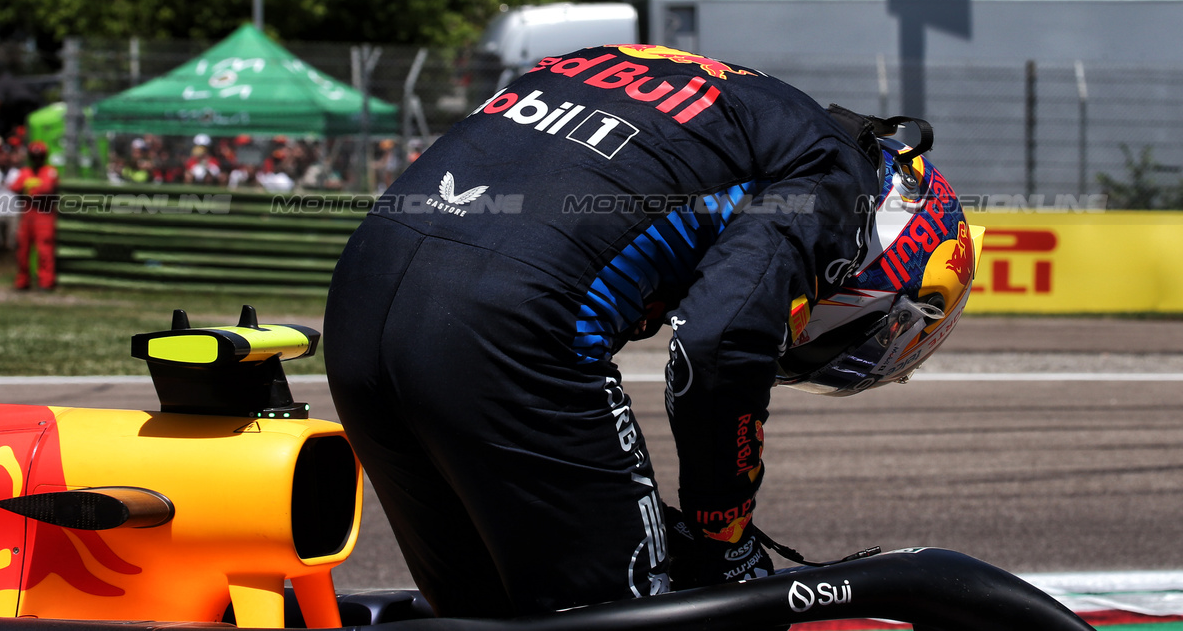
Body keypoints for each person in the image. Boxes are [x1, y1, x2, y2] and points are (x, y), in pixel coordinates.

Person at [323, 44, 983, 619]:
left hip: (359, 299)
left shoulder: (649, 71)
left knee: (483, 615)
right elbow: (719, 341)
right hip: (508, 327)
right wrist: (723, 535)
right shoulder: (840, 174)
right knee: (634, 621)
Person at [9, 140, 59, 290]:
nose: (37, 159)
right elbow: (14, 186)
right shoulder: (25, 171)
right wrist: (31, 186)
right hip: (27, 215)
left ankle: (46, 281)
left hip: (44, 215)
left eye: (40, 156)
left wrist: (29, 186)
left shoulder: (50, 171)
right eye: (34, 156)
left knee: (44, 249)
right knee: (22, 249)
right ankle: (22, 281)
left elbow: (47, 188)